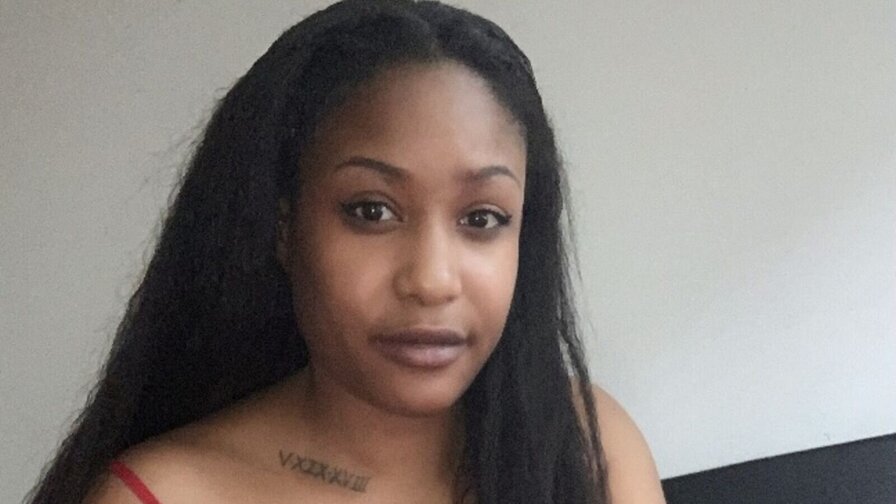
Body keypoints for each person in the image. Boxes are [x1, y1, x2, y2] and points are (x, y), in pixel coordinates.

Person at [26, 1, 665, 503]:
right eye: (371, 211)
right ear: (284, 229)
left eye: (482, 218)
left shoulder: (588, 445)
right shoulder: (160, 495)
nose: (432, 280)